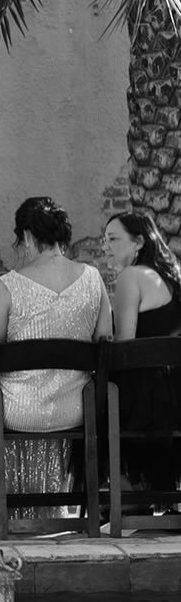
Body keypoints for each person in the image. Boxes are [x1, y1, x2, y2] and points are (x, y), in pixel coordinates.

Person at [0, 196, 111, 517]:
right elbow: (104, 340)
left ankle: (4, 511)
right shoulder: (93, 279)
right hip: (76, 408)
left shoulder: (6, 286)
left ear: (27, 236)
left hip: (16, 410)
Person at [103, 210, 181, 503]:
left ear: (138, 242)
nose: (105, 246)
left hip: (147, 396)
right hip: (174, 390)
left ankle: (130, 504)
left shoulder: (130, 276)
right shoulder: (172, 273)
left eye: (113, 239)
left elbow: (125, 346)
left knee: (94, 398)